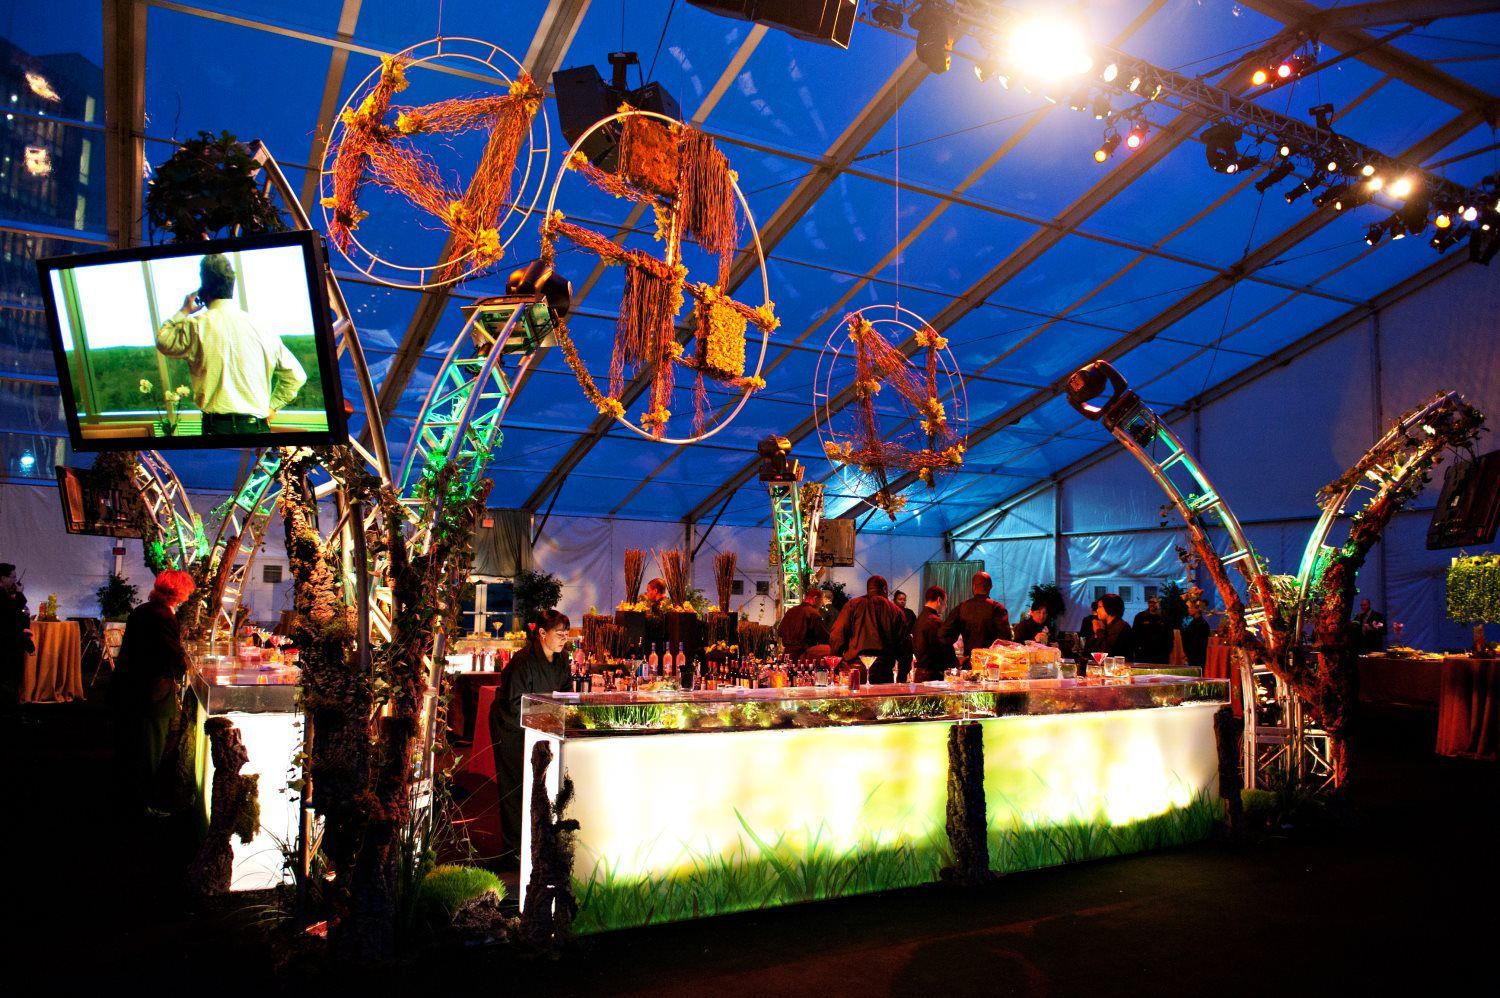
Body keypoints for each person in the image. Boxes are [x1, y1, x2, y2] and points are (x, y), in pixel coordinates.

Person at [155, 253, 307, 436]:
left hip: (216, 429)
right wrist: (272, 407)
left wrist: (184, 310)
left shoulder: (196, 327)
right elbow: (296, 376)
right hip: (256, 428)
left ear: (204, 290)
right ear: (231, 287)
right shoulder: (264, 328)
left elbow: (163, 341)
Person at [490, 608, 572, 866]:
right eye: (559, 634)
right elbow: (515, 704)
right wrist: (548, 714)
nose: (563, 639)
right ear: (542, 633)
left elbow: (565, 694)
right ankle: (513, 850)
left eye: (566, 634)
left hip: (540, 726)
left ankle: (536, 844)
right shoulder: (523, 661)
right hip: (511, 727)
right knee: (515, 785)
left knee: (539, 786)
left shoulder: (562, 659)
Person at [111, 570, 195, 820]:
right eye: (186, 591)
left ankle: (132, 797)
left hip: (130, 688)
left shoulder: (143, 610)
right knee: (151, 748)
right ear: (177, 592)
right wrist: (184, 666)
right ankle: (145, 803)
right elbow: (170, 653)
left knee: (135, 745)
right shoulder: (162, 616)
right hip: (151, 692)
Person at [828, 575, 910, 684]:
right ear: (885, 589)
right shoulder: (896, 611)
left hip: (855, 669)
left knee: (855, 700)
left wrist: (836, 664)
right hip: (883, 671)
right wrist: (901, 677)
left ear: (868, 589)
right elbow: (905, 647)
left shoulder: (853, 605)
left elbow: (837, 635)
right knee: (882, 701)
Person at [941, 571, 1012, 663]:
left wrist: (954, 660)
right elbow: (1005, 640)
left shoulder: (961, 607)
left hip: (969, 662)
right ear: (990, 587)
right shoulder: (998, 608)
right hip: (992, 664)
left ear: (973, 586)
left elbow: (944, 636)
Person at [0, 563, 34, 717]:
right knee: (9, 677)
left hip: (9, 639)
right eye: (12, 577)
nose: (14, 581)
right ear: (3, 578)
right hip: (7, 643)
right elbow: (10, 614)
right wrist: (19, 594)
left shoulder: (5, 594)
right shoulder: (2, 595)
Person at [911, 585, 955, 682]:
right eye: (945, 602)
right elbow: (941, 649)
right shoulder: (934, 621)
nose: (946, 606)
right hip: (932, 676)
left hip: (920, 674)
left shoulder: (920, 619)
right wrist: (955, 662)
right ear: (939, 600)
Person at [779, 588, 831, 662]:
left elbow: (780, 632)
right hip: (804, 657)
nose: (820, 605)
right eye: (821, 601)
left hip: (787, 655)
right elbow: (823, 637)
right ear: (815, 599)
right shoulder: (813, 613)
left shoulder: (791, 611)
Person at [1132, 597, 1173, 664]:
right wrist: (1137, 650)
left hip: (1161, 654)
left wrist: (1168, 650)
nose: (1151, 604)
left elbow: (1170, 636)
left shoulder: (1165, 617)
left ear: (1159, 603)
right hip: (1144, 654)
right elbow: (1134, 634)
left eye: (1154, 602)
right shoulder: (1140, 617)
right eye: (1150, 602)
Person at [1094, 593, 1135, 660]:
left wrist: (1098, 631)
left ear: (1109, 608)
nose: (1097, 610)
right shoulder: (1106, 625)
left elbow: (1106, 652)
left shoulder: (1120, 627)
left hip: (1119, 667)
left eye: (1100, 607)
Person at [893, 590, 917, 677]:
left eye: (904, 599)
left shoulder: (909, 613)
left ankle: (901, 683)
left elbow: (915, 627)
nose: (902, 601)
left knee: (905, 668)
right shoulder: (891, 611)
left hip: (906, 644)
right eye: (900, 599)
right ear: (895, 600)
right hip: (893, 643)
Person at [1183, 600, 1211, 670]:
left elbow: (1198, 642)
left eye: (1191, 608)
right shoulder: (1194, 622)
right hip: (1192, 655)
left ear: (1197, 609)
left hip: (1197, 656)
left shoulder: (1202, 624)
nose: (1189, 610)